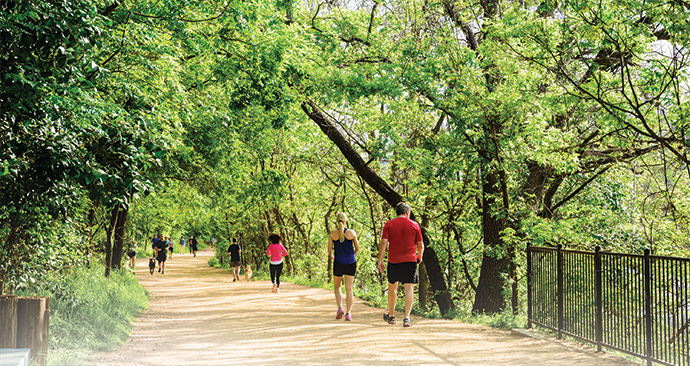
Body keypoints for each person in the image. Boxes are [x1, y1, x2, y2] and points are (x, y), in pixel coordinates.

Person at [377, 202, 424, 327]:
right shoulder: (414, 225)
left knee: (393, 288)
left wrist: (380, 260)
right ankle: (406, 318)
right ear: (407, 213)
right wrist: (420, 256)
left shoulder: (389, 224)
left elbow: (383, 243)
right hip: (410, 260)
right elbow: (421, 245)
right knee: (409, 288)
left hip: (394, 261)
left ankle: (391, 316)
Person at [328, 212, 360, 321]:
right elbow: (357, 248)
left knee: (337, 287)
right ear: (346, 220)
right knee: (349, 288)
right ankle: (348, 313)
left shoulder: (332, 234)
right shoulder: (352, 233)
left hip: (338, 262)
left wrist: (333, 256)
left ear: (337, 221)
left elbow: (329, 250)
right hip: (351, 262)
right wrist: (351, 255)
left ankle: (340, 308)